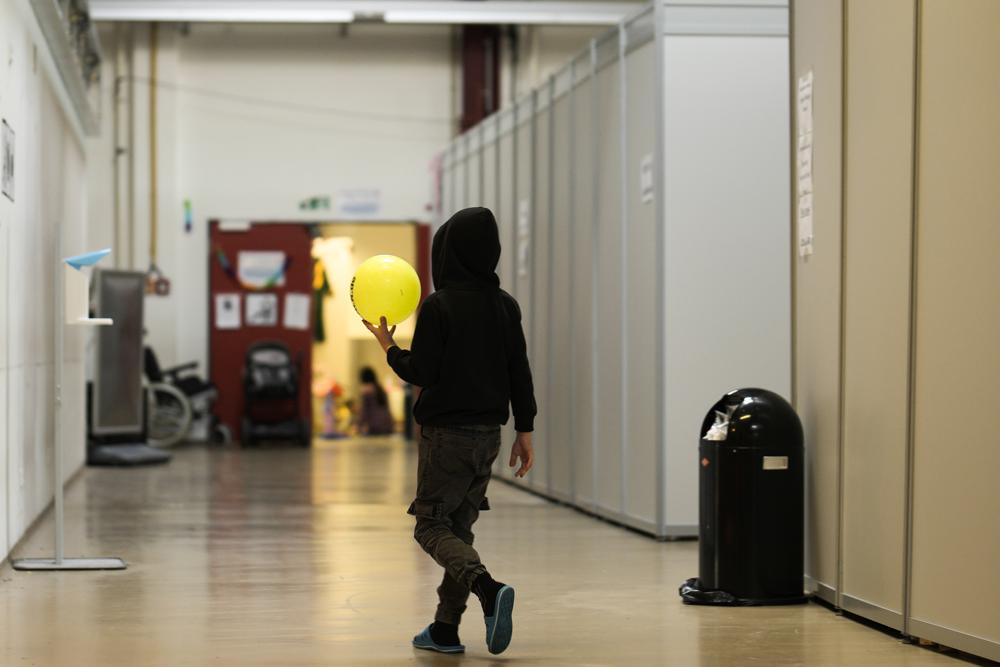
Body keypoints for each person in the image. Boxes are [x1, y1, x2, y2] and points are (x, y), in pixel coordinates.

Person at [363, 207, 536, 656]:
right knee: (459, 529)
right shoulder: (505, 306)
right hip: (489, 439)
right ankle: (444, 629)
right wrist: (525, 430)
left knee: (430, 527)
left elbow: (421, 370)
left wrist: (389, 349)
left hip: (447, 438)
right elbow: (520, 371)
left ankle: (487, 587)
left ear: (447, 253)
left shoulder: (439, 306)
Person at [355, 366, 394, 435]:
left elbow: (364, 412)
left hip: (375, 428)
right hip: (387, 425)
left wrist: (358, 426)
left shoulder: (366, 390)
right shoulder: (380, 388)